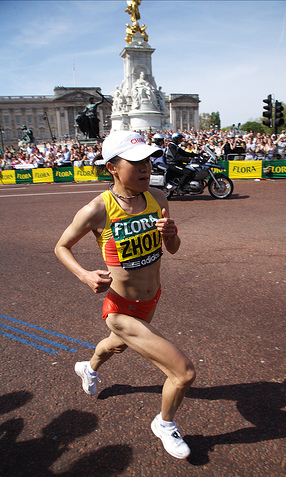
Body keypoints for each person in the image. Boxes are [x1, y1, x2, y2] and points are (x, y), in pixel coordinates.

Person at [54, 130, 196, 460]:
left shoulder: (157, 198)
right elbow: (61, 246)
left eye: (148, 160)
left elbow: (172, 249)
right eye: (136, 162)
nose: (146, 167)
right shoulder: (96, 210)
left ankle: (88, 369)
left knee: (117, 345)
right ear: (113, 168)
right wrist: (85, 274)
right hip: (119, 306)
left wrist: (171, 235)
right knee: (183, 373)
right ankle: (164, 423)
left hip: (151, 298)